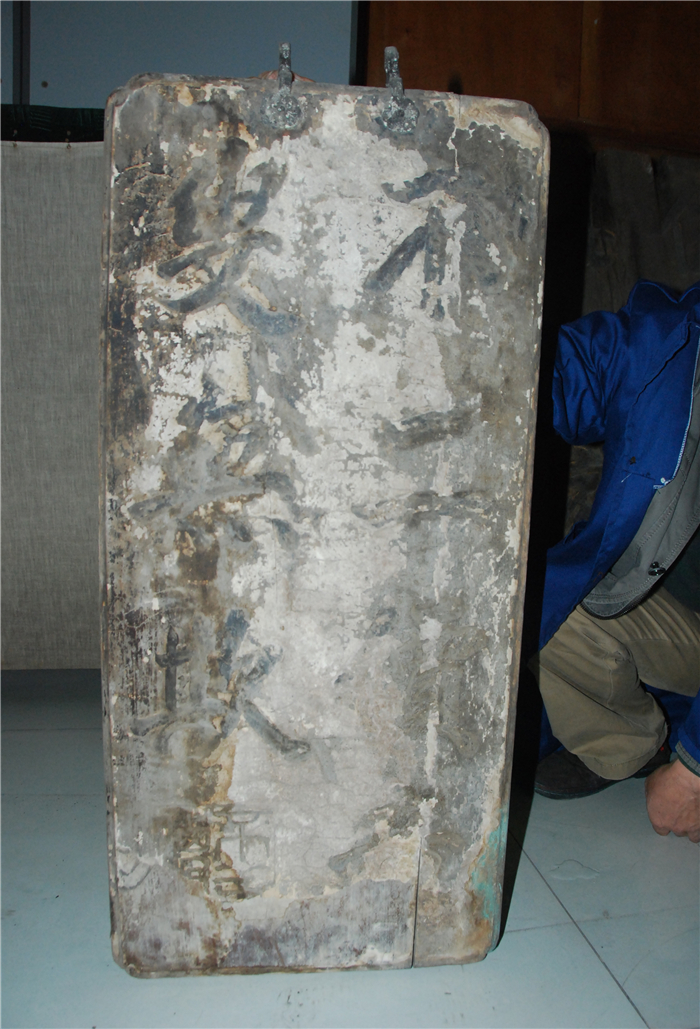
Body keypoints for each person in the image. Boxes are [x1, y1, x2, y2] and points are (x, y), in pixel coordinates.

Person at [532, 279, 700, 843]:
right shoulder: (673, 343)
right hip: (675, 611)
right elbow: (565, 369)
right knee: (539, 602)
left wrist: (694, 772)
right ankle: (629, 745)